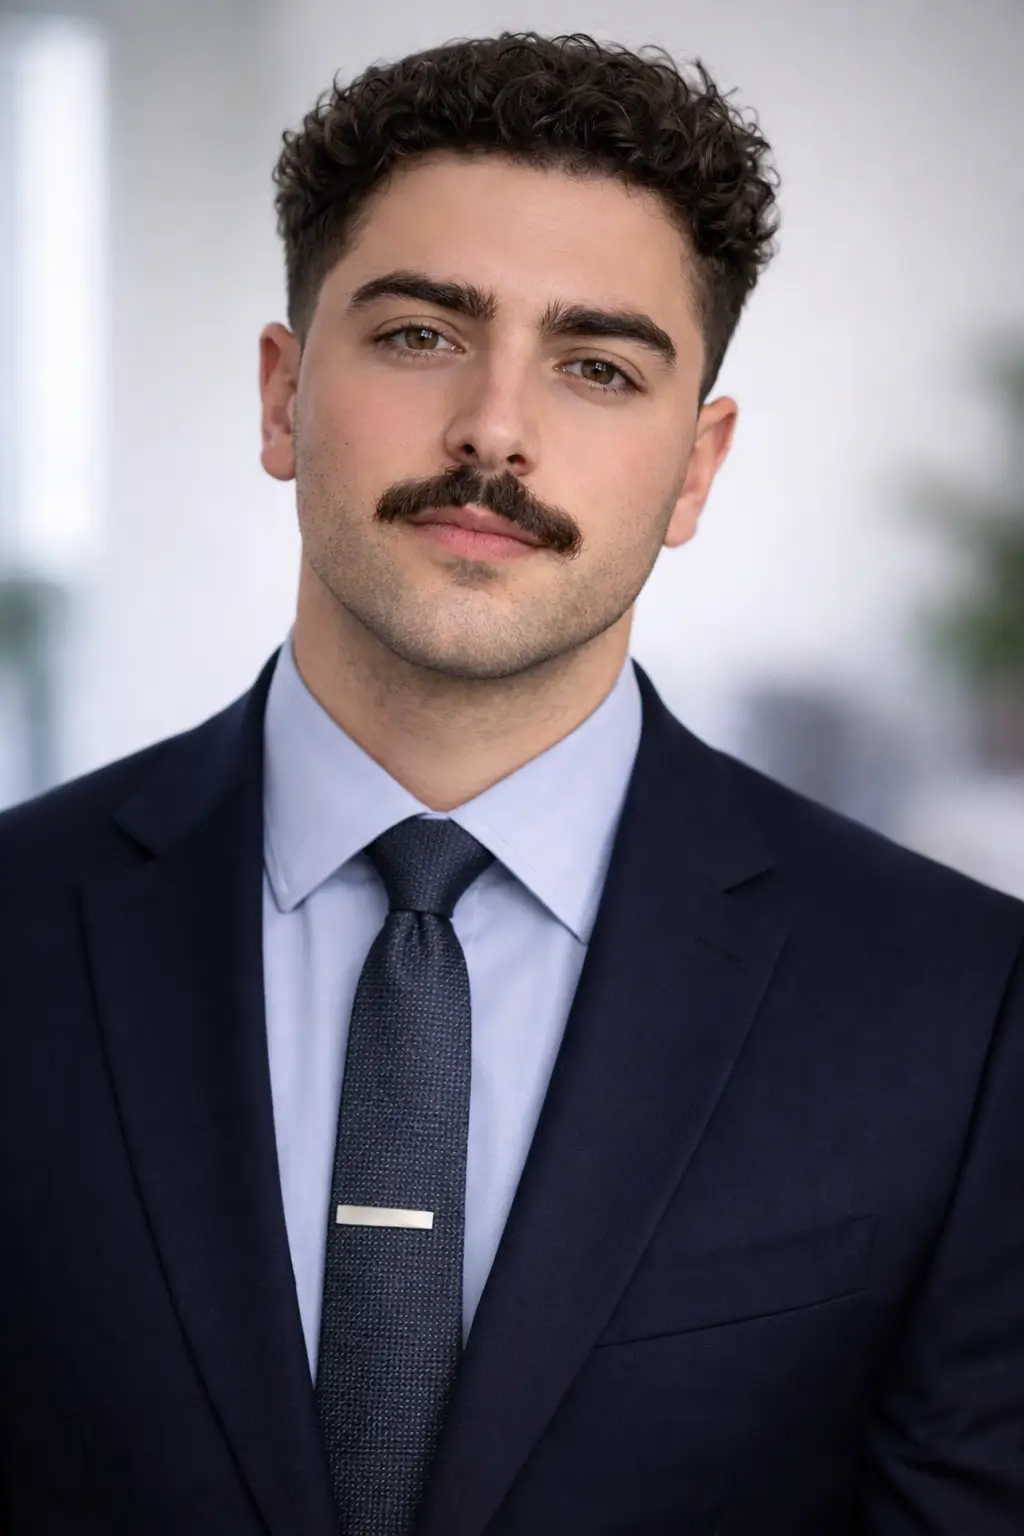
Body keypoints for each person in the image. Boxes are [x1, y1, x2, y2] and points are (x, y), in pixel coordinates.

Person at [0, 29, 1022, 1536]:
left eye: (599, 367)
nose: (495, 429)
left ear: (694, 468)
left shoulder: (961, 1003)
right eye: (421, 334)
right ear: (282, 396)